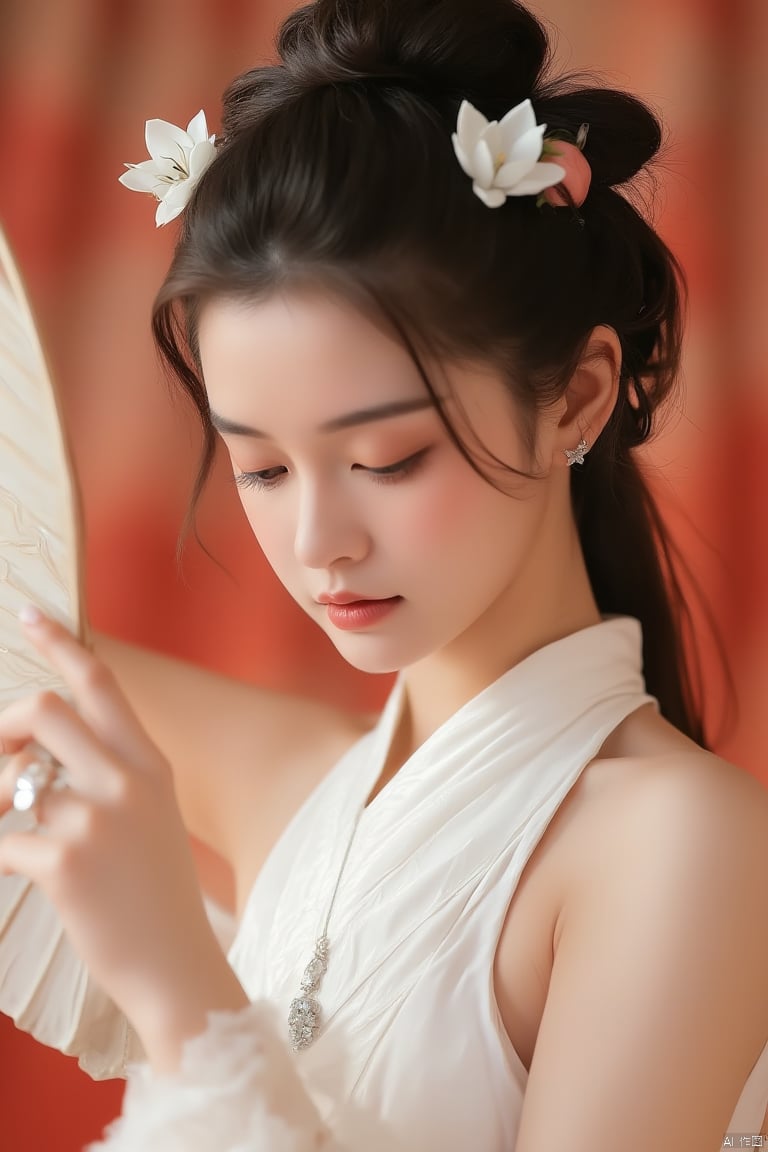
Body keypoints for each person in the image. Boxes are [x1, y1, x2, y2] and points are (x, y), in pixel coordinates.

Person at [1, 0, 767, 1148]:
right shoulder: (298, 785)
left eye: (386, 458)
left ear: (579, 395)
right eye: (258, 468)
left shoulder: (675, 846)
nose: (319, 543)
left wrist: (180, 993)